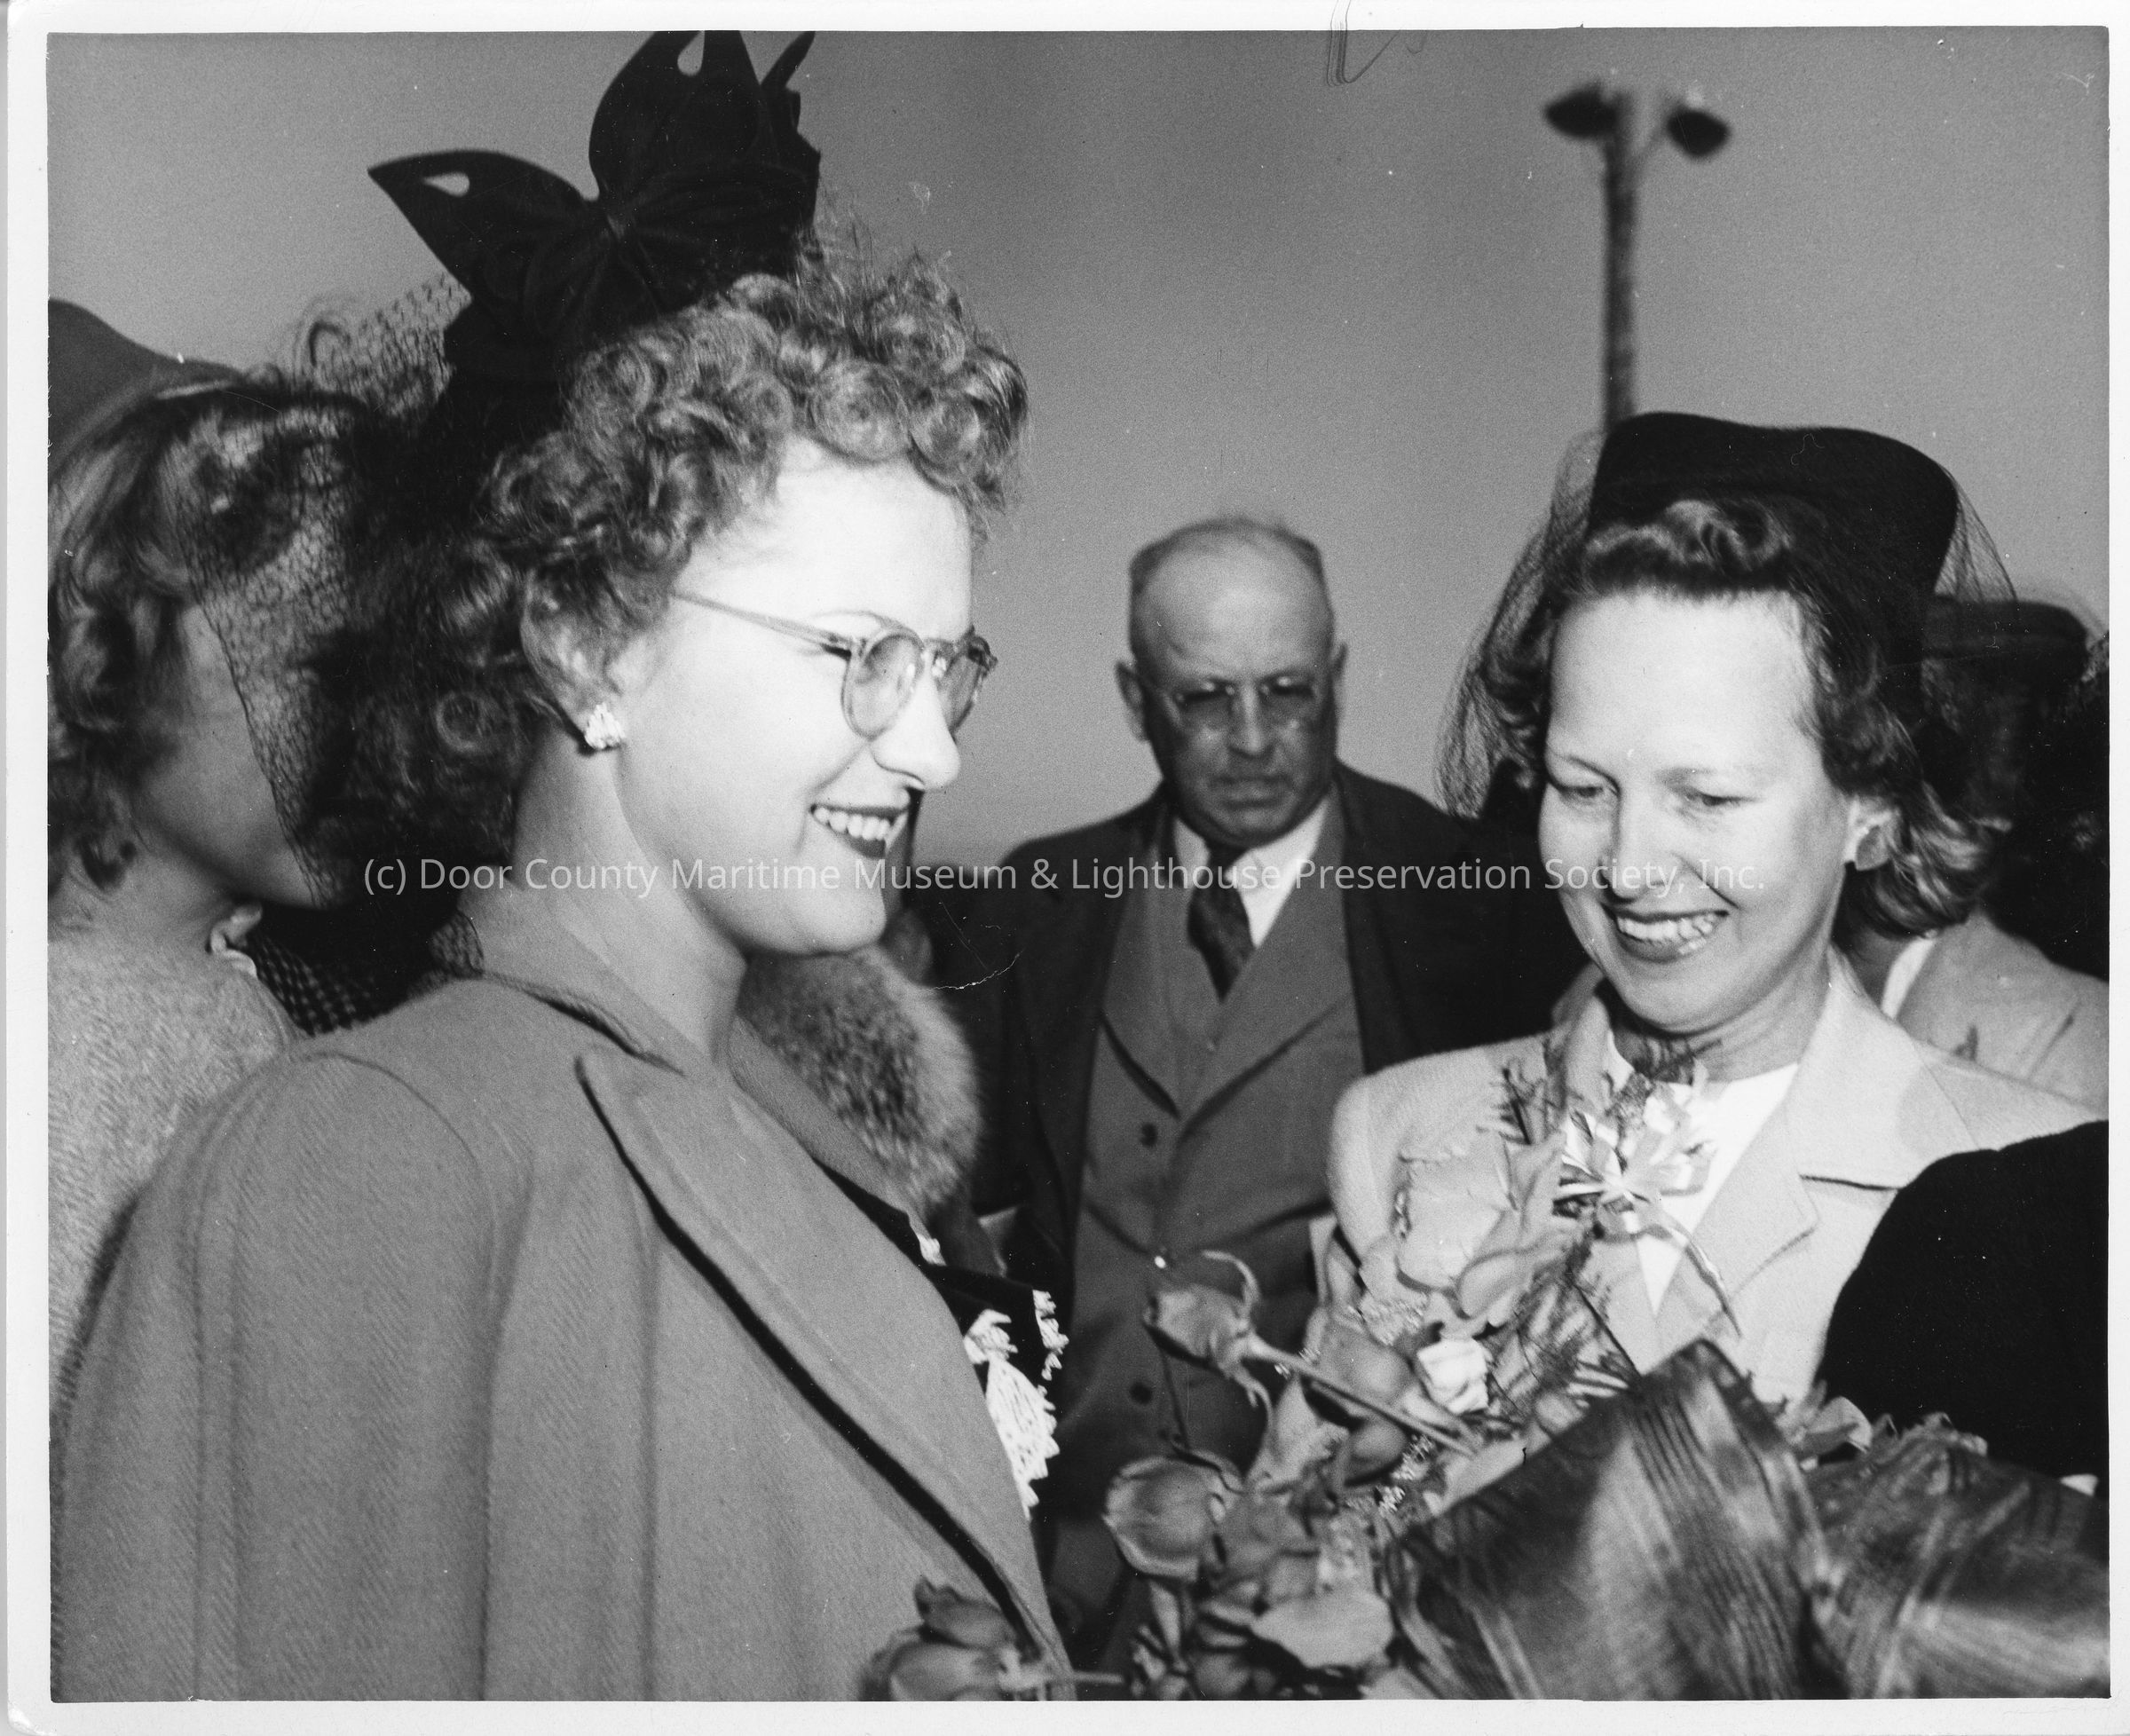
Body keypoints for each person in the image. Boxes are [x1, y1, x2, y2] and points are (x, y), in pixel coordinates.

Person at [56, 241, 1061, 1700]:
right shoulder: (370, 1151)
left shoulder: (783, 1123)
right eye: (860, 654)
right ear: (587, 647)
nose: (931, 753)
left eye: (947, 666)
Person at [1310, 414, 2096, 1424]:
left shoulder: (2044, 1186)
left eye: (1709, 797)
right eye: (1582, 787)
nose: (1629, 869)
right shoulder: (1399, 1135)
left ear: (1871, 804)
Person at [941, 514, 1583, 1656]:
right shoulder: (1041, 899)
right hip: (1055, 1568)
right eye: (1204, 699)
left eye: (1288, 693)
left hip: (1333, 1597)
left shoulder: (1475, 903)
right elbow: (950, 1227)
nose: (1250, 740)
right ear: (1136, 700)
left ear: (1338, 679)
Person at [46, 302, 391, 1455]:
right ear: (101, 646)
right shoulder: (56, 1051)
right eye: (314, 662)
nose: (370, 726)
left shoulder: (260, 1012)